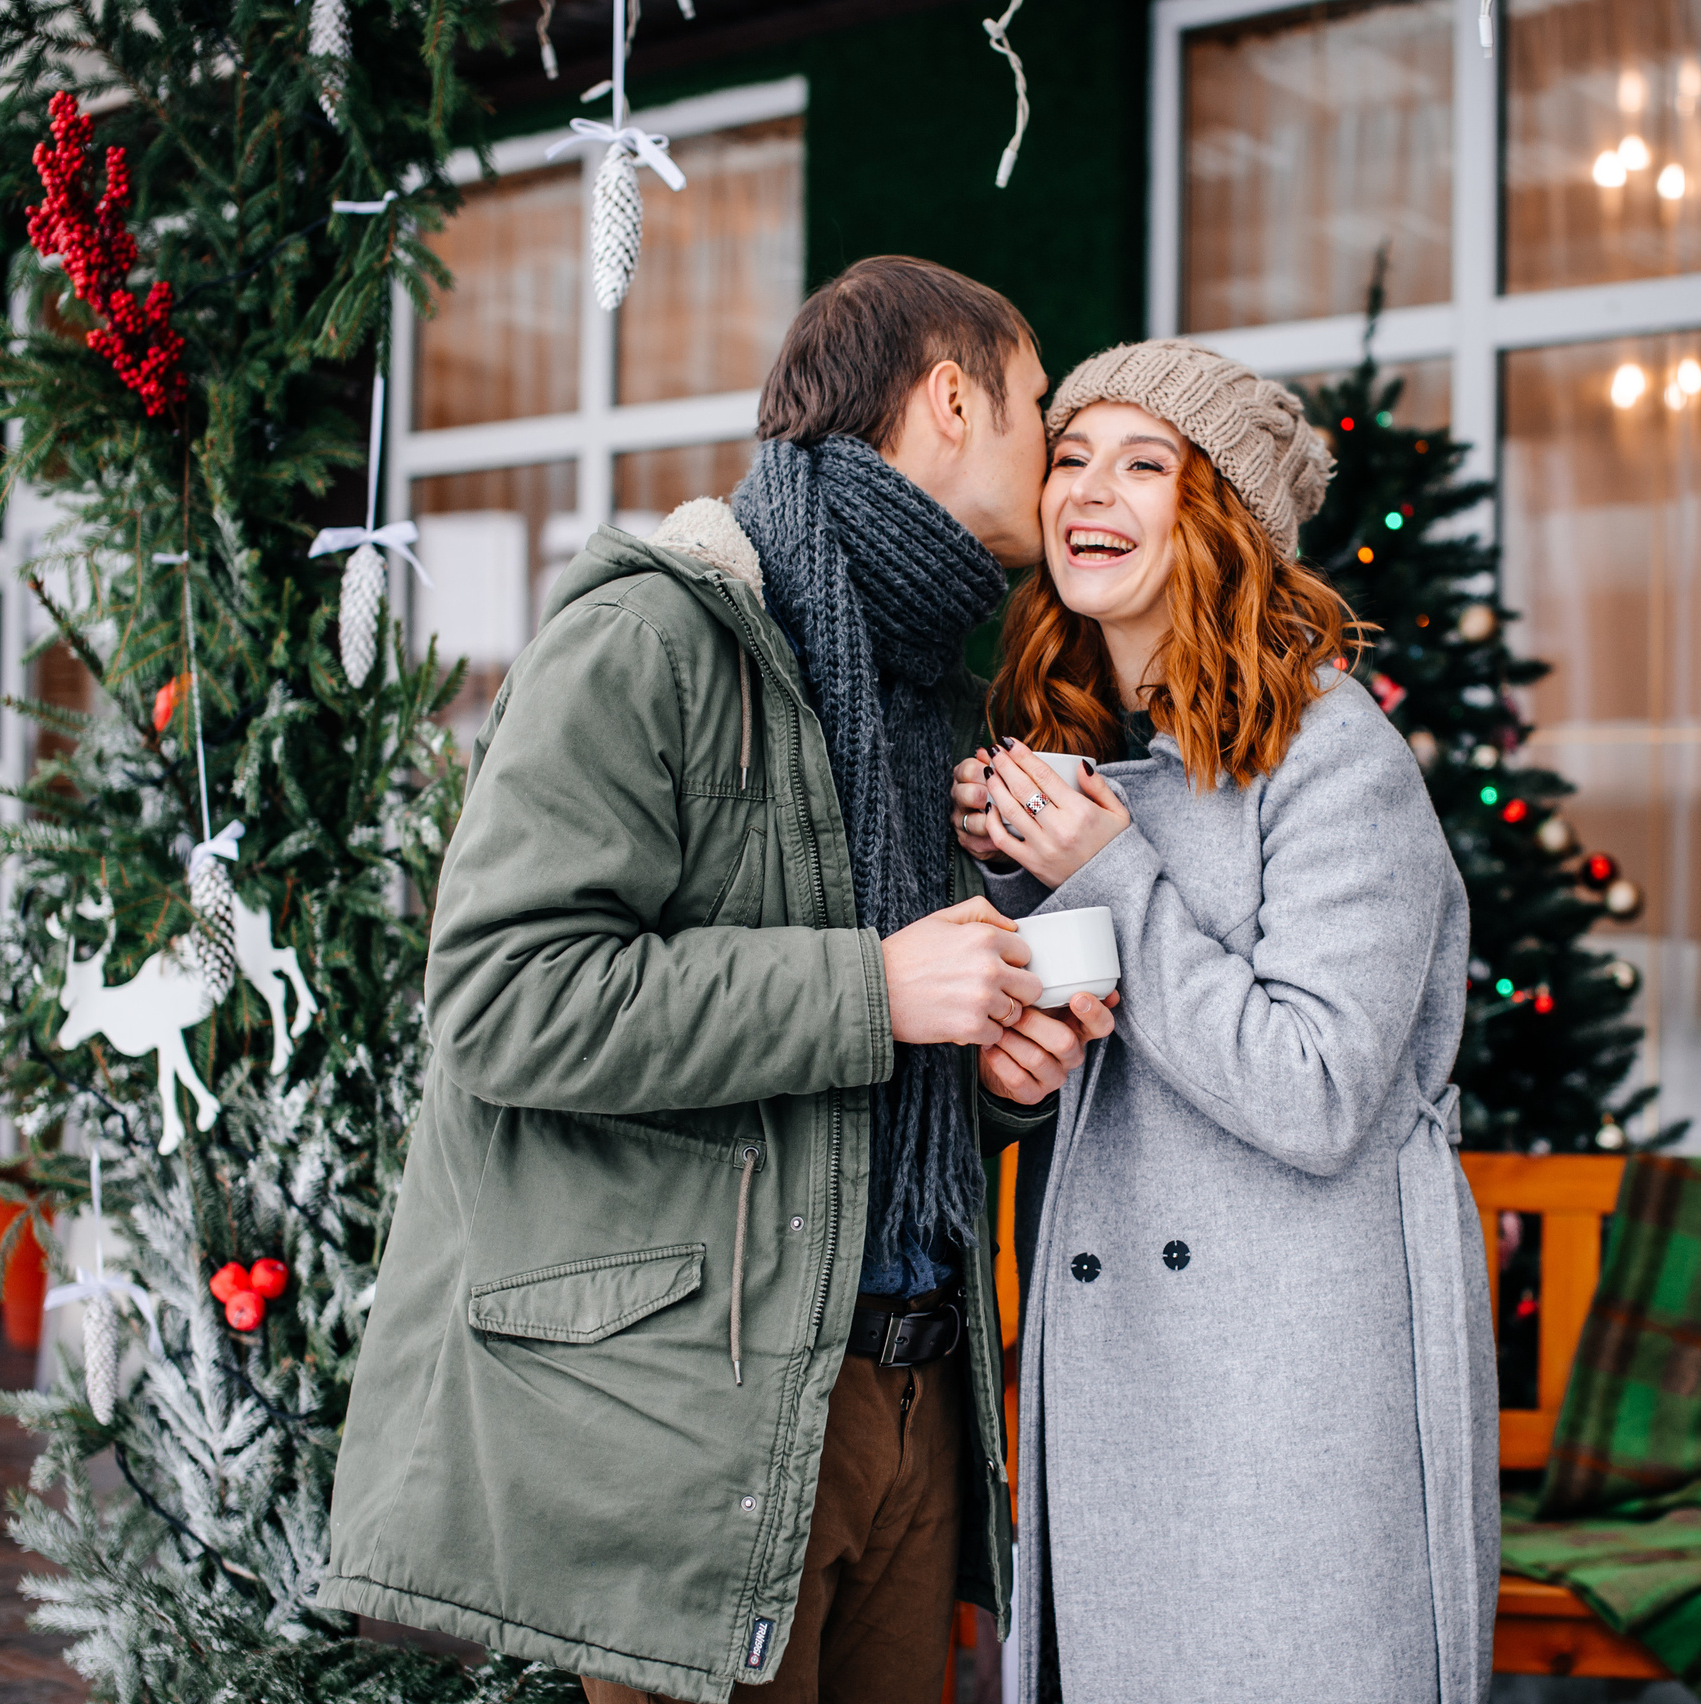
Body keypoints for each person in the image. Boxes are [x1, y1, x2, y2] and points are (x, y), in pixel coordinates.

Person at [314, 257, 1114, 1704]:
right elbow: (506, 998)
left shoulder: (935, 681)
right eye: (1039, 407)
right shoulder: (655, 637)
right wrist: (874, 991)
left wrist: (995, 1070)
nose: (1057, 456)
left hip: (922, 1386)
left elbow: (882, 1060)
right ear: (949, 396)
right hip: (718, 1412)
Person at [952, 340, 1500, 1703]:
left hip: (1295, 1382)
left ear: (1223, 521)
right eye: (1071, 454)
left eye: (1146, 464)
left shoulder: (1336, 754)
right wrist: (1015, 886)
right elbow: (1069, 1073)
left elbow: (1316, 1089)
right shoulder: (1075, 753)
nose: (1091, 486)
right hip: (1125, 1374)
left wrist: (1103, 871)